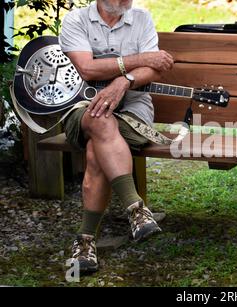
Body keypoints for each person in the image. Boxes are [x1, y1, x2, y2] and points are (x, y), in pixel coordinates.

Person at [59, 0, 174, 273]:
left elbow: (155, 68)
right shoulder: (76, 21)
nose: (126, 0)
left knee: (96, 146)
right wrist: (140, 60)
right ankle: (136, 210)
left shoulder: (142, 19)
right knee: (99, 117)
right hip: (82, 107)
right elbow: (87, 69)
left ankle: (85, 241)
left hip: (133, 109)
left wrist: (125, 81)